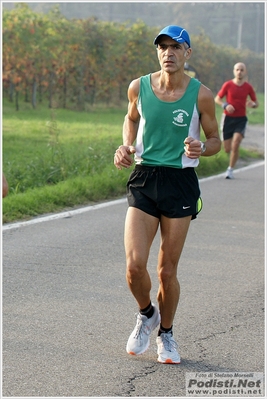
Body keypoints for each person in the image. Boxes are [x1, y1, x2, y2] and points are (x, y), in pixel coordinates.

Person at [114, 25, 221, 364]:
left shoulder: (201, 95)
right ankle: (147, 314)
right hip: (144, 177)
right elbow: (130, 119)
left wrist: (202, 147)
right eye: (163, 47)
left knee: (166, 272)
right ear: (157, 52)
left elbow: (216, 140)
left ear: (188, 53)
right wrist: (126, 145)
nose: (168, 53)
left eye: (176, 47)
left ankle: (167, 334)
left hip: (180, 181)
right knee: (134, 267)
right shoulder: (139, 87)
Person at [215, 62, 258, 179]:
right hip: (228, 119)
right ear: (234, 71)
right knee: (227, 148)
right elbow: (217, 98)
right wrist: (225, 105)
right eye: (237, 69)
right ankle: (229, 162)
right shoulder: (228, 85)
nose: (239, 72)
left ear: (245, 72)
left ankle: (230, 169)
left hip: (241, 119)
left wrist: (252, 104)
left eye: (242, 70)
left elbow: (256, 103)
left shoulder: (248, 87)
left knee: (236, 143)